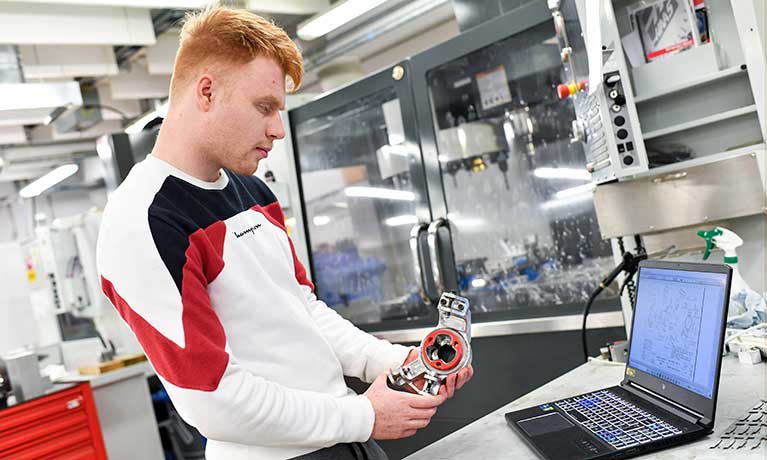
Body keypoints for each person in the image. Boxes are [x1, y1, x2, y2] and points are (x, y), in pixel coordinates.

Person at [96, 5, 473, 460]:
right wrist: (364, 415)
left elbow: (304, 310)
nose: (277, 129)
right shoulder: (144, 220)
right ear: (207, 92)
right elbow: (212, 398)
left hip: (343, 439)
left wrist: (395, 362)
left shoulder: (250, 188)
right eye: (264, 107)